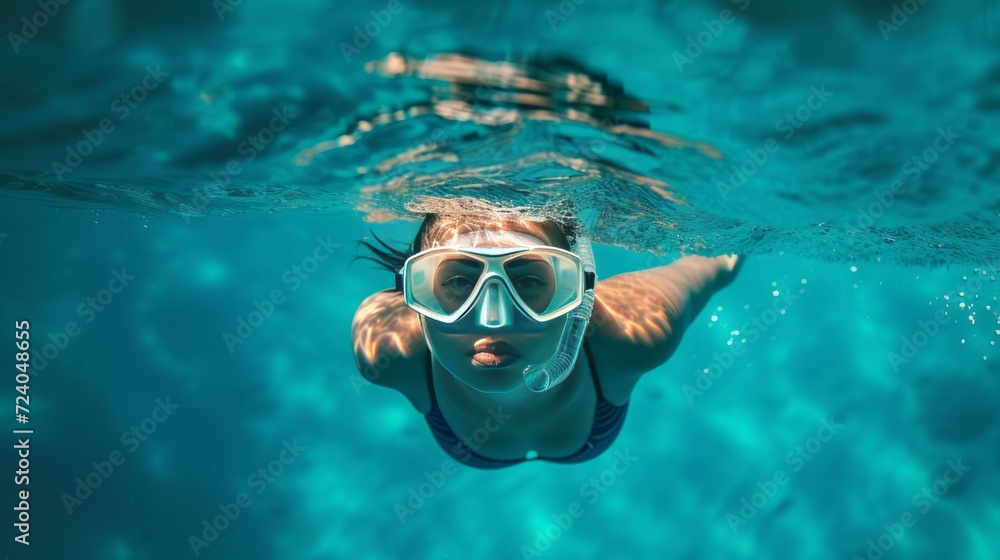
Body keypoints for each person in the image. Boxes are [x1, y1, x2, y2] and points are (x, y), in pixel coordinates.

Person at [351, 211, 743, 469]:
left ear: (579, 296)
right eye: (457, 281)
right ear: (413, 293)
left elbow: (720, 261)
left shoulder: (633, 332)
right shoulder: (388, 347)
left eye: (527, 281)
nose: (495, 320)